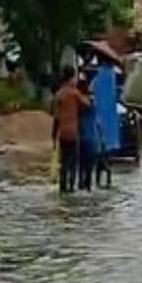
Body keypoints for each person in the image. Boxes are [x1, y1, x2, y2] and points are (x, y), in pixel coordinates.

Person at [52, 65, 89, 194]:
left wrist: (53, 135)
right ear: (72, 77)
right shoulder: (74, 93)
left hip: (62, 132)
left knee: (63, 163)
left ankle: (62, 188)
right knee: (73, 163)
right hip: (73, 132)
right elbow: (87, 104)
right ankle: (71, 188)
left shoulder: (58, 94)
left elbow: (56, 117)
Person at [76, 71, 102, 192]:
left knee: (81, 167)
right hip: (92, 138)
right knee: (89, 168)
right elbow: (98, 122)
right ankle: (88, 187)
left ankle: (82, 186)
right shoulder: (91, 101)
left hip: (81, 138)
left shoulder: (79, 102)